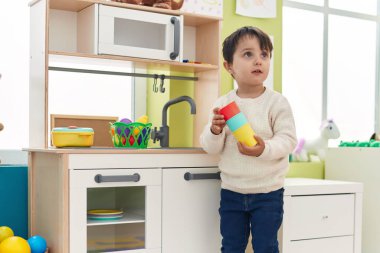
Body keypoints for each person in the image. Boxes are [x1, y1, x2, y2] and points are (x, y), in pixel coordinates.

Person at [200, 26, 297, 253]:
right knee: (232, 246)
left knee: (266, 246)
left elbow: (288, 140)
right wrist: (214, 131)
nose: (258, 61)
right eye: (248, 54)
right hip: (232, 191)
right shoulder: (222, 104)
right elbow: (211, 147)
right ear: (229, 66)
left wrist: (264, 149)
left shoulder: (277, 103)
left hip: (268, 193)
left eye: (264, 55)